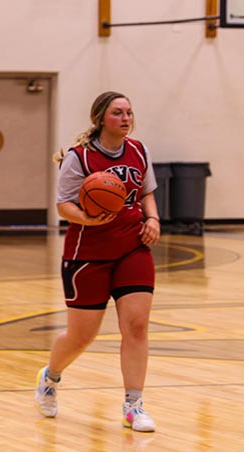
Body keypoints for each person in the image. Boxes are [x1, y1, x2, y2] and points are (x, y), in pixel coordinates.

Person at [35, 91, 161, 433]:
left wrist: (153, 220)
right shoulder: (79, 158)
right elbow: (64, 205)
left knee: (136, 327)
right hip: (87, 255)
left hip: (133, 248)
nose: (126, 118)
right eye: (118, 112)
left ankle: (133, 405)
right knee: (81, 337)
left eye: (129, 112)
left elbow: (147, 191)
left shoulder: (139, 151)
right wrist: (91, 220)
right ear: (101, 118)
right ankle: (50, 376)